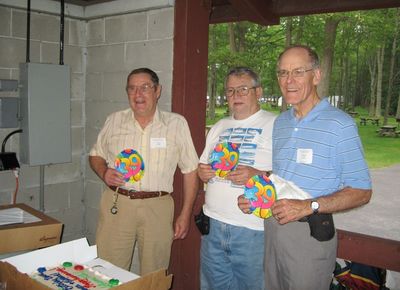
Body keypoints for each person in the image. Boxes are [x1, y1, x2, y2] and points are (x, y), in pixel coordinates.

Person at [238, 45, 372, 290]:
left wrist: (308, 206)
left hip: (310, 235)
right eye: (282, 73)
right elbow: (281, 179)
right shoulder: (282, 123)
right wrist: (257, 197)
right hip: (272, 228)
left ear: (316, 76)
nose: (288, 80)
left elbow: (362, 191)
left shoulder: (339, 124)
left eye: (298, 72)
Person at [89, 67, 198, 275]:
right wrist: (104, 172)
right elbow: (95, 154)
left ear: (158, 91)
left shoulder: (176, 124)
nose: (138, 94)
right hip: (117, 203)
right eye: (132, 89)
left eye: (145, 88)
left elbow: (190, 170)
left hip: (158, 207)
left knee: (154, 274)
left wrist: (185, 214)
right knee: (107, 271)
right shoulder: (114, 120)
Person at [198, 67, 276, 290]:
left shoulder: (275, 124)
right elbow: (202, 166)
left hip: (252, 230)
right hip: (212, 225)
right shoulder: (220, 126)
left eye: (243, 89)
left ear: (258, 92)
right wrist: (202, 172)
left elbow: (289, 175)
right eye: (230, 91)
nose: (236, 96)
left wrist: (258, 175)